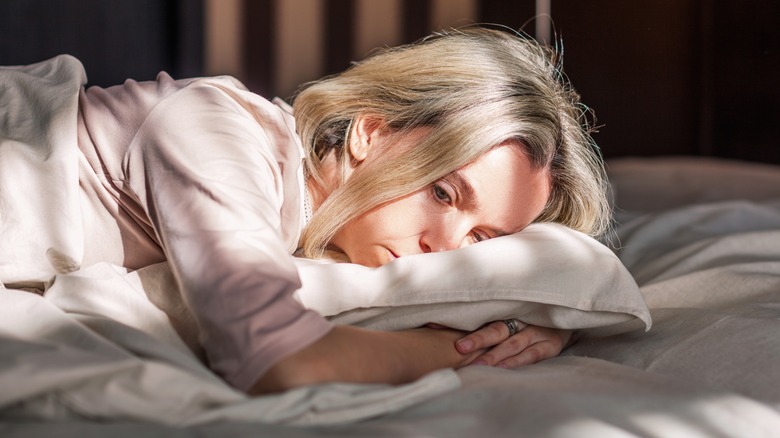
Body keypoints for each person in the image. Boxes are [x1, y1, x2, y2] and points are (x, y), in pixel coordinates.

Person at [0, 27, 610, 395]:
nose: (445, 248)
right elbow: (278, 361)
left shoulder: (308, 225)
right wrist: (477, 346)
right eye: (444, 193)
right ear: (371, 132)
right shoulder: (215, 131)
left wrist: (538, 317)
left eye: (481, 239)